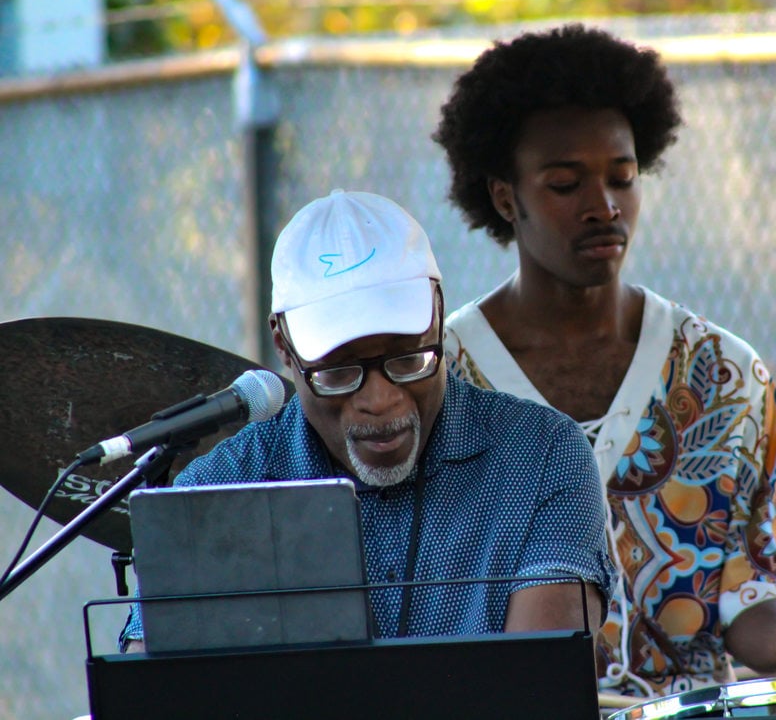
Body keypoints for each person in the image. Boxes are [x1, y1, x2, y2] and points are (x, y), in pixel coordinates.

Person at [433, 25, 776, 698]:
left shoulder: (722, 375)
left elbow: (744, 590)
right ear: (503, 197)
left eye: (621, 177)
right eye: (564, 183)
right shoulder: (442, 381)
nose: (603, 207)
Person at [120, 189, 614, 650]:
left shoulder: (543, 456)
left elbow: (539, 689)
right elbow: (156, 687)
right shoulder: (216, 490)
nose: (380, 399)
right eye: (338, 372)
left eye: (408, 358)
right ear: (283, 346)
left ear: (438, 313)